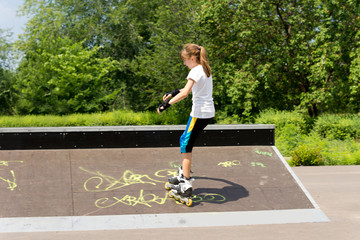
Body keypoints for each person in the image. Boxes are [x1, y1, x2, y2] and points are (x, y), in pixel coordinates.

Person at [157, 43, 215, 199]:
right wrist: (172, 93)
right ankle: (183, 173)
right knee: (185, 139)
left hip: (199, 114)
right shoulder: (204, 68)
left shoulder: (195, 71)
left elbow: (185, 94)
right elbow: (185, 89)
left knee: (186, 144)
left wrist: (165, 105)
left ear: (192, 58)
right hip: (207, 112)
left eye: (185, 60)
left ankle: (186, 183)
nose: (184, 63)